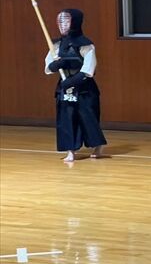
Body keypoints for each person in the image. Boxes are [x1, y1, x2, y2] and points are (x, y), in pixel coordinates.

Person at [44, 8, 107, 162]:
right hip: (64, 89)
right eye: (60, 21)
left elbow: (88, 69)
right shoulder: (56, 45)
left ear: (75, 22)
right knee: (66, 119)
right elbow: (48, 67)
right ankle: (70, 151)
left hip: (84, 88)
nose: (62, 25)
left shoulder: (86, 45)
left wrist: (71, 82)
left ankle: (97, 145)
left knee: (88, 118)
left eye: (66, 21)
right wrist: (56, 65)